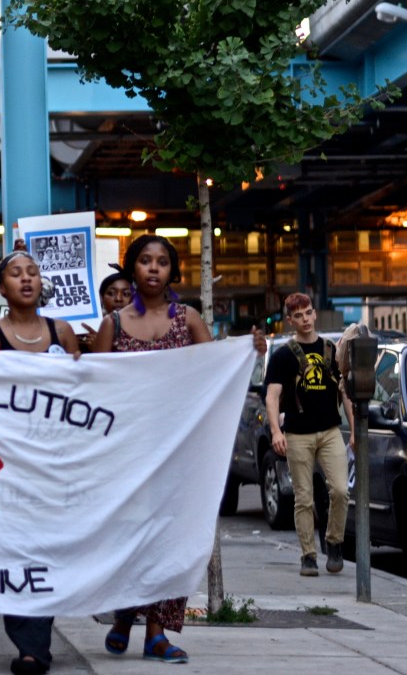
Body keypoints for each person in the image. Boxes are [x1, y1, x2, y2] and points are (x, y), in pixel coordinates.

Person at [92, 234, 267, 663]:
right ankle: (124, 613)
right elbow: (94, 387)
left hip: (179, 453)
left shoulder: (187, 319)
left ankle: (157, 633)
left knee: (173, 538)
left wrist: (249, 349)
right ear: (131, 268)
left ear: (173, 271)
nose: (154, 269)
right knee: (131, 539)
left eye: (162, 262)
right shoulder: (112, 325)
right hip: (128, 455)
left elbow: (214, 376)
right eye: (145, 261)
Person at [0, 250, 79, 675]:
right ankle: (29, 644)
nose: (27, 279)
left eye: (33, 272)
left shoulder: (62, 331)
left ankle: (37, 643)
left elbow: (85, 389)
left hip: (54, 463)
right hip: (6, 464)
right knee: (14, 550)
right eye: (15, 273)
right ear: (1, 287)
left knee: (46, 550)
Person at [265, 293, 351, 578]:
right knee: (303, 498)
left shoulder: (330, 350)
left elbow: (344, 392)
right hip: (298, 434)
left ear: (315, 314)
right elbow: (272, 397)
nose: (304, 319)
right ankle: (308, 555)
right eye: (298, 315)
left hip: (329, 431)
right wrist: (276, 431)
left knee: (340, 490)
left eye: (308, 313)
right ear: (290, 320)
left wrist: (354, 430)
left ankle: (334, 541)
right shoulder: (282, 356)